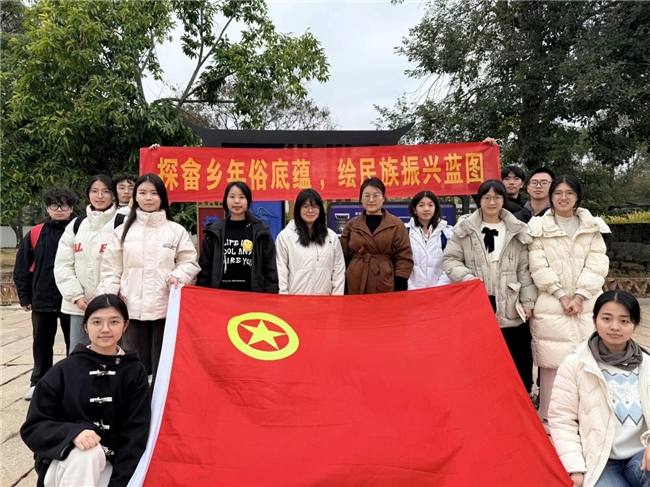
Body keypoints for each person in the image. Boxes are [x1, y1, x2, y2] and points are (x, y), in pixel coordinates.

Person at [21, 294, 151, 487]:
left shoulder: (135, 372)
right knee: (88, 453)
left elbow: (136, 433)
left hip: (112, 467)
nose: (105, 329)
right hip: (66, 462)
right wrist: (73, 433)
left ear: (125, 326)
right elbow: (34, 427)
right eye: (97, 322)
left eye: (114, 322)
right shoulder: (63, 370)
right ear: (85, 327)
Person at [97, 173, 199, 380]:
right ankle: (136, 400)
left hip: (165, 310)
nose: (148, 198)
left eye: (154, 193)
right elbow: (111, 269)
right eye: (143, 193)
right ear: (135, 197)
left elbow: (189, 262)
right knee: (134, 368)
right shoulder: (122, 232)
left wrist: (177, 276)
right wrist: (107, 300)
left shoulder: (176, 231)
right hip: (132, 310)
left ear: (162, 197)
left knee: (164, 368)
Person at [528, 175, 611, 429]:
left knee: (587, 361)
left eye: (569, 193)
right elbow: (538, 265)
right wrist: (562, 296)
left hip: (587, 304)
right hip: (552, 304)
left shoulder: (592, 226)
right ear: (551, 197)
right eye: (558, 193)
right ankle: (550, 420)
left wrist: (580, 296)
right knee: (552, 362)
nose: (563, 198)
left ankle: (586, 420)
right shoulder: (538, 227)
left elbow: (597, 263)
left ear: (577, 197)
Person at [443, 179, 537, 392]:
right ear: (479, 200)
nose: (491, 202)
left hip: (510, 299)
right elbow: (450, 259)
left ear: (504, 200)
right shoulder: (465, 229)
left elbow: (524, 269)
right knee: (477, 351)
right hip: (476, 298)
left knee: (514, 351)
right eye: (486, 197)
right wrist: (469, 280)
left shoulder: (516, 230)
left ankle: (517, 396)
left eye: (496, 197)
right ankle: (478, 396)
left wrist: (528, 302)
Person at [548, 291, 650, 487]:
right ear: (595, 320)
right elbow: (562, 418)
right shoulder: (575, 364)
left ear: (635, 325)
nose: (615, 327)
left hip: (641, 452)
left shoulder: (646, 364)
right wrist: (574, 467)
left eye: (624, 321)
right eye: (606, 318)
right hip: (599, 460)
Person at [13, 188, 77, 401]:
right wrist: (24, 297)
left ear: (71, 208)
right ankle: (38, 383)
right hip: (42, 297)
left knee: (74, 343)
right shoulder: (35, 233)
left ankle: (72, 382)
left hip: (72, 297)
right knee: (41, 344)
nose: (59, 209)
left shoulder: (79, 230)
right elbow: (22, 267)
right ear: (47, 208)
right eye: (54, 205)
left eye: (64, 205)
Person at [55, 175, 122, 353]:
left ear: (113, 195)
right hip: (80, 306)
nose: (99, 196)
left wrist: (103, 296)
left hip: (113, 304)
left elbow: (125, 265)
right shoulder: (76, 225)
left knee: (114, 354)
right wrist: (76, 296)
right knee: (79, 355)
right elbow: (63, 264)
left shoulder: (122, 223)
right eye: (94, 191)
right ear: (88, 194)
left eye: (105, 191)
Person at [197, 181, 278, 292]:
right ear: (226, 200)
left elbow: (270, 269)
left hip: (252, 296)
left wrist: (269, 295)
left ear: (248, 201)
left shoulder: (261, 232)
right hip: (220, 296)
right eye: (232, 196)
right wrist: (204, 295)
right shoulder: (214, 232)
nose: (236, 201)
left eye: (241, 197)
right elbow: (205, 269)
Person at [340, 177, 413, 294]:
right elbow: (341, 256)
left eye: (376, 195)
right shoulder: (352, 224)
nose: (371, 200)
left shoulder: (396, 224)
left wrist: (401, 281)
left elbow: (404, 255)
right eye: (366, 195)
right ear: (361, 198)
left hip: (384, 280)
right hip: (355, 280)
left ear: (383, 198)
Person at [275, 189, 345, 295]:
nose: (310, 210)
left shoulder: (331, 237)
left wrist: (336, 300)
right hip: (295, 300)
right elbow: (281, 271)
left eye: (315, 206)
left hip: (325, 300)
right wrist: (284, 299)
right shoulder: (285, 237)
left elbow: (338, 272)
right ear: (298, 209)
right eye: (305, 206)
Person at [407, 190, 453, 289]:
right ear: (414, 210)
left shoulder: (447, 233)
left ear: (435, 208)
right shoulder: (404, 232)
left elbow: (450, 264)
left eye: (430, 205)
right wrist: (411, 289)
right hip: (410, 292)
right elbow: (400, 264)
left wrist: (437, 290)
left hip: (439, 293)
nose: (426, 209)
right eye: (421, 205)